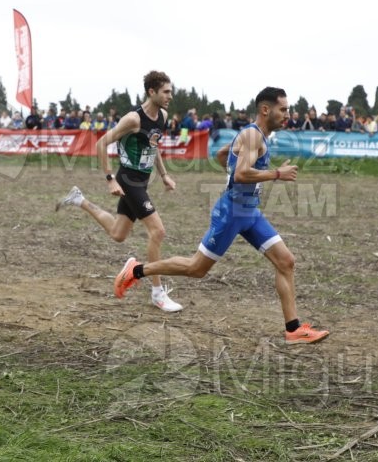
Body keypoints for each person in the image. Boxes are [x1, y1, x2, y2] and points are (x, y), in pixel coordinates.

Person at [112, 87, 328, 344]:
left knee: (286, 262)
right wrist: (276, 174)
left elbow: (222, 155)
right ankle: (137, 270)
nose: (287, 115)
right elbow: (241, 174)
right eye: (283, 109)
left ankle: (293, 329)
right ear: (265, 109)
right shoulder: (251, 135)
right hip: (232, 213)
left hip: (250, 212)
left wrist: (238, 161)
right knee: (196, 268)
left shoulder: (253, 135)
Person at [56, 70, 183, 313]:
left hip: (142, 181)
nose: (170, 96)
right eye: (166, 92)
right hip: (129, 180)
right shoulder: (133, 119)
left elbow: (153, 145)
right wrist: (109, 179)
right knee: (158, 231)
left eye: (171, 91)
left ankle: (79, 199)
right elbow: (101, 143)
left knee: (118, 234)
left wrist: (164, 174)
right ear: (152, 92)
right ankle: (157, 293)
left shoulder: (163, 116)